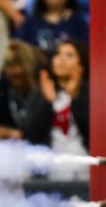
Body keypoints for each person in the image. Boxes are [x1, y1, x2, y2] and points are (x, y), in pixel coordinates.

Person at [25, 39, 89, 176]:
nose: (61, 59)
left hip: (86, 167)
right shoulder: (41, 93)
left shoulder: (91, 93)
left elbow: (94, 131)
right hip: (51, 168)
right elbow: (31, 134)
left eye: (69, 55)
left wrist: (76, 100)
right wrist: (47, 103)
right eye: (58, 54)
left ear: (81, 65)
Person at [0, 39, 46, 141]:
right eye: (11, 78)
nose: (15, 82)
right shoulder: (5, 85)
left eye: (19, 77)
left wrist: (22, 134)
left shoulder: (43, 87)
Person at [15, 0, 88, 55]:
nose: (53, 0)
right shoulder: (30, 23)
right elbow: (20, 51)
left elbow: (84, 53)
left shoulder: (78, 23)